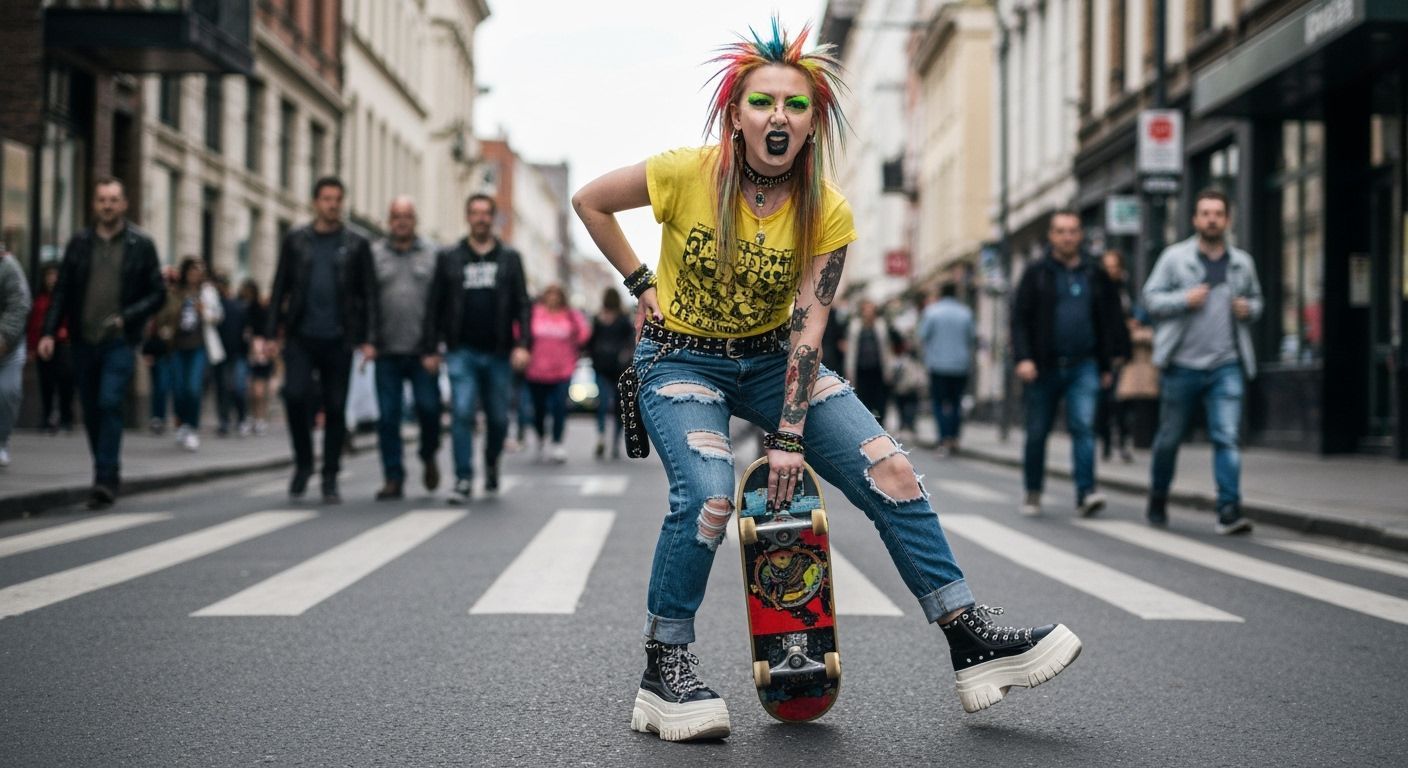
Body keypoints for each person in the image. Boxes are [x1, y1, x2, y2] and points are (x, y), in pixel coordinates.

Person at [572, 18, 1080, 742]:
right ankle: (665, 667)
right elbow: (589, 200)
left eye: (796, 104)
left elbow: (809, 330)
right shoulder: (685, 173)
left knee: (892, 469)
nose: (778, 116)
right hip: (680, 361)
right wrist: (640, 281)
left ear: (812, 123)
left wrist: (789, 437)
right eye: (762, 102)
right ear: (736, 116)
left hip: (771, 359)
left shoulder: (826, 210)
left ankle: (968, 638)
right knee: (711, 494)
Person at [38, 177, 167, 508]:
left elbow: (158, 294)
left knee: (110, 401)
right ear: (94, 204)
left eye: (113, 200)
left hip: (120, 340)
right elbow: (62, 291)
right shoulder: (79, 243)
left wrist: (128, 316)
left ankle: (105, 478)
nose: (107, 205)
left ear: (124, 204)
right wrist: (48, 332)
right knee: (92, 407)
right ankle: (106, 470)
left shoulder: (141, 244)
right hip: (83, 339)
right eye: (102, 200)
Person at [1142, 189, 1263, 534]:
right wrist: (1184, 299)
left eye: (1218, 214)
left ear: (1227, 220)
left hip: (1226, 365)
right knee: (1169, 439)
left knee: (1227, 437)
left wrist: (1249, 309)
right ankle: (1158, 496)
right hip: (1181, 366)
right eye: (1205, 213)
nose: (1212, 219)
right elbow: (1150, 299)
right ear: (1195, 219)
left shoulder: (1241, 263)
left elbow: (1257, 301)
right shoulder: (1174, 258)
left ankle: (1229, 509)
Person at [257, 176, 373, 504]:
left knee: (335, 408)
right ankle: (304, 462)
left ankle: (330, 475)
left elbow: (368, 294)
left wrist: (369, 339)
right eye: (326, 199)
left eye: (337, 199)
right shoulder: (296, 240)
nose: (332, 205)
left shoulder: (356, 243)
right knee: (294, 396)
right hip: (301, 335)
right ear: (315, 202)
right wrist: (270, 333)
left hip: (339, 338)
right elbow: (280, 286)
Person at [1010, 210, 1126, 518]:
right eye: (1061, 231)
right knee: (1037, 432)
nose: (1067, 237)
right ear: (1051, 236)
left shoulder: (1094, 273)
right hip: (1042, 366)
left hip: (1084, 365)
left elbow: (1109, 317)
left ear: (1080, 235)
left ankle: (1086, 492)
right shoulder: (1036, 273)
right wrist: (1023, 358)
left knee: (1084, 427)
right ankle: (1033, 490)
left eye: (1073, 231)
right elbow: (1019, 319)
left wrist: (1107, 364)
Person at [425, 193, 532, 501]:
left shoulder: (509, 258)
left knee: (498, 418)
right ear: (468, 217)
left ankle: (491, 461)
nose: (481, 218)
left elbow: (522, 305)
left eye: (486, 213)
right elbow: (435, 305)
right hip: (461, 350)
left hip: (499, 351)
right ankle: (463, 478)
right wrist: (431, 348)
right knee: (461, 412)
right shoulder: (450, 257)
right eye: (475, 212)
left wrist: (523, 344)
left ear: (493, 218)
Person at [367, 196, 443, 500]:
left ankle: (428, 454)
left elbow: (442, 303)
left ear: (415, 220)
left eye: (407, 216)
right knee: (388, 417)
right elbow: (365, 299)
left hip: (424, 352)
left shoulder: (432, 254)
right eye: (396, 216)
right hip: (385, 350)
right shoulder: (374, 254)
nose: (401, 221)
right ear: (389, 221)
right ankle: (393, 476)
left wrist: (436, 347)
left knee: (429, 410)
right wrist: (368, 339)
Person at [155, 257, 223, 452]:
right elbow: (163, 316)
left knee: (193, 388)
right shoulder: (176, 292)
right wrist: (165, 328)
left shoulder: (207, 292)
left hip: (198, 347)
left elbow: (218, 316)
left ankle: (192, 427)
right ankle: (182, 424)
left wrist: (204, 312)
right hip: (177, 347)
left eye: (199, 272)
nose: (195, 275)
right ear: (185, 272)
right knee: (178, 389)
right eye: (192, 271)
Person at [524, 284, 590, 462]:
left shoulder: (569, 314)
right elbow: (520, 332)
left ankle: (557, 442)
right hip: (536, 370)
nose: (553, 298)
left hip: (563, 370)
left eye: (556, 295)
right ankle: (540, 436)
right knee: (538, 408)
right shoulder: (535, 313)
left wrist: (576, 323)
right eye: (550, 294)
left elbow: (584, 334)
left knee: (559, 406)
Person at [918, 283, 975, 454]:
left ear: (941, 294)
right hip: (960, 365)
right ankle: (954, 437)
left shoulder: (932, 312)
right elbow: (971, 337)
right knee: (956, 402)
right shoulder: (966, 313)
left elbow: (922, 336)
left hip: (938, 365)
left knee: (939, 403)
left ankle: (943, 439)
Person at [1095, 250, 1135, 463]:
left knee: (1122, 401)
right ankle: (1107, 443)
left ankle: (1123, 441)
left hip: (1122, 353)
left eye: (1115, 267)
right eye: (1107, 266)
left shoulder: (1125, 289)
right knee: (1107, 401)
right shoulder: (1099, 290)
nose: (1111, 271)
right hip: (1105, 355)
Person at [588, 287, 635, 459]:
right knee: (617, 406)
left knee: (603, 403)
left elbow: (591, 342)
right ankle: (614, 440)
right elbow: (630, 341)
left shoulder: (600, 318)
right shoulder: (622, 319)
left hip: (604, 366)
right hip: (616, 367)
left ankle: (603, 436)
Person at [27, 264, 74, 435]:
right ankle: (47, 417)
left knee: (65, 382)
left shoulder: (66, 299)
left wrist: (64, 333)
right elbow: (33, 326)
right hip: (43, 344)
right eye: (49, 276)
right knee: (46, 383)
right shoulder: (40, 300)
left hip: (62, 344)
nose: (52, 280)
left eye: (55, 276)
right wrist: (32, 347)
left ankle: (65, 418)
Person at [0, 243, 31, 467]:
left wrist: (4, 337)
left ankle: (1, 441)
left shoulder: (8, 267)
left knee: (7, 392)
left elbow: (19, 306)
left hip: (8, 345)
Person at [212, 274, 252, 437]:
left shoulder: (236, 307)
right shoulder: (213, 308)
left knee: (237, 387)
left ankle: (241, 418)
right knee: (223, 388)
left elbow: (245, 331)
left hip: (236, 354)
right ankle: (225, 421)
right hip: (219, 354)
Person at [842, 298, 893, 423]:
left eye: (871, 309)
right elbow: (851, 350)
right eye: (866, 309)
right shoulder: (855, 326)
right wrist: (849, 370)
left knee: (880, 400)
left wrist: (889, 369)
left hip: (878, 369)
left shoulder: (881, 326)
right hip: (861, 370)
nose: (868, 312)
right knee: (864, 399)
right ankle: (868, 423)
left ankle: (880, 423)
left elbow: (886, 348)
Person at [240, 279, 273, 435]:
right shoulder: (243, 308)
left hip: (260, 352)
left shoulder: (259, 310)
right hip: (247, 352)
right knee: (249, 389)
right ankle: (253, 417)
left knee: (259, 390)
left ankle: (260, 418)